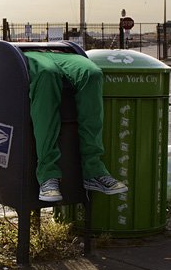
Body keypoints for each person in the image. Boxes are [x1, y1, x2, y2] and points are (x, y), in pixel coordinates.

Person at [24, 51, 128, 202]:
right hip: (28, 53)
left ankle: (94, 171)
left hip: (62, 52)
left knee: (93, 74)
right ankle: (48, 176)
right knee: (47, 73)